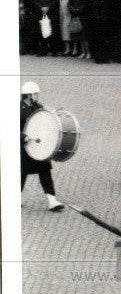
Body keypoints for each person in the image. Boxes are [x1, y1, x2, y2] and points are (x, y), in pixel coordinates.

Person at [19, 82, 65, 212]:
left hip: (39, 147)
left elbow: (44, 118)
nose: (37, 96)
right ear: (28, 95)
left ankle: (52, 200)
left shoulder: (37, 107)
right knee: (21, 174)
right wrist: (24, 137)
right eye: (35, 94)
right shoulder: (17, 110)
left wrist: (53, 114)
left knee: (45, 171)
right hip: (25, 148)